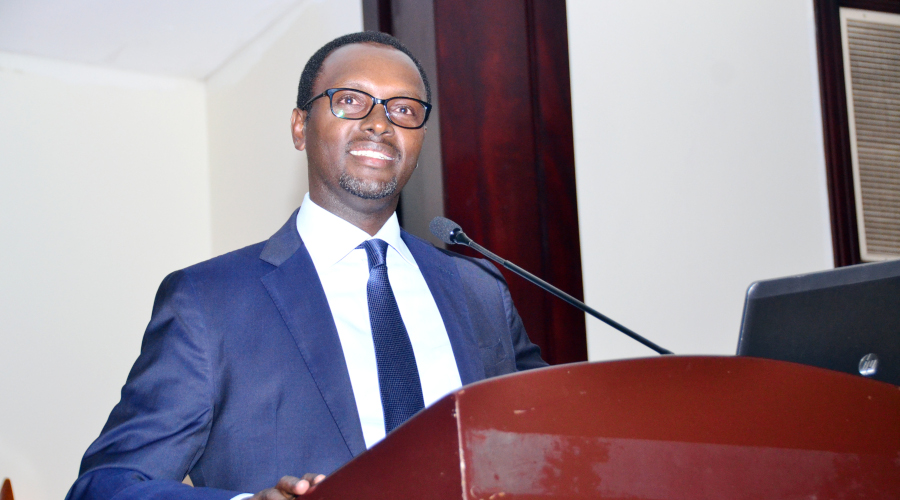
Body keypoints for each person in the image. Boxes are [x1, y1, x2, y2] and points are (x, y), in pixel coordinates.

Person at [65, 31, 546, 500]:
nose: (380, 123)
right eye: (351, 101)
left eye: (403, 109)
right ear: (300, 126)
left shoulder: (479, 290)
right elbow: (106, 485)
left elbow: (556, 442)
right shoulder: (208, 302)